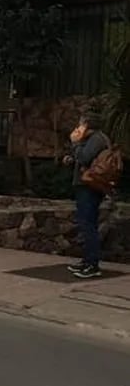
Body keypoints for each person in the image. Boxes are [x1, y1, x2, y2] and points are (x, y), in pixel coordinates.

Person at [63, 112, 109, 279]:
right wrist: (70, 158)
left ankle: (93, 264)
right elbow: (81, 158)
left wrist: (75, 142)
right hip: (84, 185)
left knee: (88, 224)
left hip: (89, 187)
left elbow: (84, 157)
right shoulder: (90, 139)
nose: (78, 127)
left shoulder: (97, 139)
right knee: (85, 223)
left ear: (88, 125)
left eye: (81, 124)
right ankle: (87, 260)